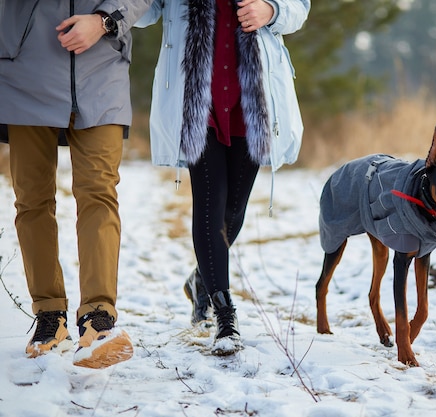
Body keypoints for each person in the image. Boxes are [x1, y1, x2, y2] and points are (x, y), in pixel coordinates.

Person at [135, 0, 310, 355]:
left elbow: (300, 7)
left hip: (253, 100)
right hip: (199, 102)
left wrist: (271, 11)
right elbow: (144, 11)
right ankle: (224, 314)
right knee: (210, 205)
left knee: (234, 210)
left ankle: (202, 279)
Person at [0, 0, 153, 369]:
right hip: (25, 69)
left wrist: (104, 20)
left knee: (99, 192)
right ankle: (50, 315)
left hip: (102, 66)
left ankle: (98, 319)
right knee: (32, 198)